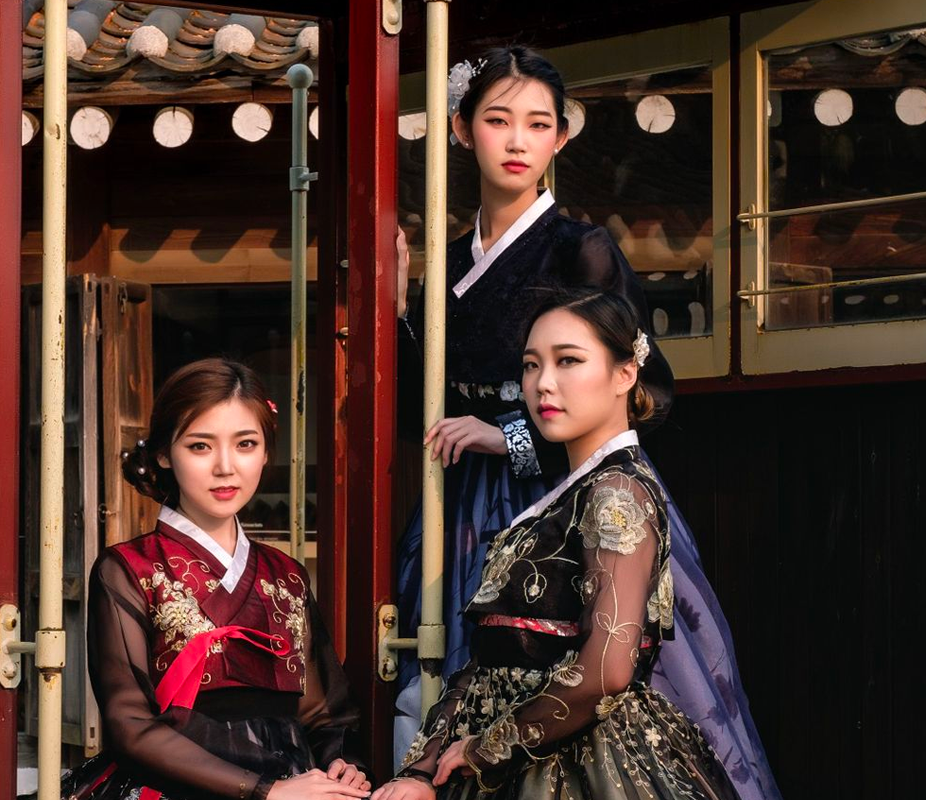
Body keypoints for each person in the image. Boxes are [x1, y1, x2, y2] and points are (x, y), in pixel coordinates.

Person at [393, 45, 779, 800]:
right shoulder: (442, 262)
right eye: (498, 120)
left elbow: (651, 390)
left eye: (537, 124)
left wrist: (505, 432)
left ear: (559, 140)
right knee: (443, 672)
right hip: (462, 504)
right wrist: (394, 301)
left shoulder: (582, 248)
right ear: (462, 129)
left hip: (570, 491)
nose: (516, 141)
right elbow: (420, 409)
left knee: (605, 680)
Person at [376, 289, 740, 800]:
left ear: (624, 374)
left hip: (580, 768)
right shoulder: (568, 497)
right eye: (530, 366)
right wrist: (425, 767)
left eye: (569, 360)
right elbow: (485, 664)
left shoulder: (617, 491)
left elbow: (606, 671)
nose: (543, 383)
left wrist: (486, 750)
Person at [59, 358, 370, 800]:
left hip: (295, 785)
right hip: (179, 786)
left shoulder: (288, 577)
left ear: (266, 452)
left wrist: (345, 765)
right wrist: (265, 791)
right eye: (201, 446)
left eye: (245, 444)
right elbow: (129, 725)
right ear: (165, 454)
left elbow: (325, 715)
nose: (226, 467)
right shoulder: (128, 569)